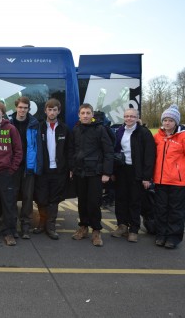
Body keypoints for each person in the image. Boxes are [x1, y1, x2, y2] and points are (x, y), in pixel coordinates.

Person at [153, 104, 185, 249]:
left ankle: (173, 238)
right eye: (165, 120)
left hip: (177, 182)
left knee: (176, 211)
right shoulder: (158, 137)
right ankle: (161, 235)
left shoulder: (184, 138)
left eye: (170, 120)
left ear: (176, 122)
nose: (167, 123)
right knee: (160, 210)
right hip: (160, 181)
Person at [69, 103, 113, 247]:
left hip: (95, 173)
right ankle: (83, 227)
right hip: (80, 173)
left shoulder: (100, 129)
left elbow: (108, 151)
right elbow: (72, 151)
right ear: (79, 115)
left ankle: (96, 231)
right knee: (82, 202)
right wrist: (72, 168)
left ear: (92, 115)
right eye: (83, 113)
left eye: (88, 113)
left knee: (94, 203)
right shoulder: (76, 130)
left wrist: (107, 172)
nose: (86, 115)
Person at [111, 108, 155, 243]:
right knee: (120, 199)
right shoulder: (119, 131)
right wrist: (112, 171)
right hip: (122, 170)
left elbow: (149, 156)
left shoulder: (144, 133)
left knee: (135, 200)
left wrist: (147, 177)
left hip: (137, 171)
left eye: (132, 116)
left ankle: (134, 229)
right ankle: (122, 226)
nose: (129, 118)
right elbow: (115, 151)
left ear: (137, 117)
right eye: (126, 116)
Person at [0, 102, 23, 246]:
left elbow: (18, 151)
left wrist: (12, 169)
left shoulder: (11, 128)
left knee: (8, 204)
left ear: (3, 112)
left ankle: (9, 232)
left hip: (6, 172)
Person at [34, 98, 70, 240]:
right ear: (45, 111)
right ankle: (41, 224)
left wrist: (68, 168)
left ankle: (51, 226)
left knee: (54, 200)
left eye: (55, 110)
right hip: (43, 170)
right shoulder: (40, 127)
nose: (52, 112)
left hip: (58, 171)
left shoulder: (64, 129)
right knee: (41, 198)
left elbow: (69, 149)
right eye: (49, 109)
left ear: (59, 111)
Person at [9, 96, 43, 239]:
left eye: (25, 108)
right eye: (20, 107)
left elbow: (38, 147)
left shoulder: (34, 123)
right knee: (11, 197)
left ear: (29, 109)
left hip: (28, 166)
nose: (22, 110)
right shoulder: (9, 123)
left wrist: (38, 165)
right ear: (16, 107)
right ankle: (12, 226)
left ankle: (25, 227)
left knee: (28, 198)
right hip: (12, 166)